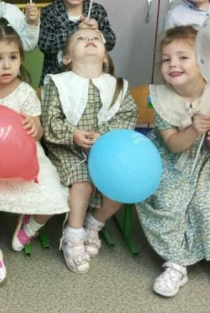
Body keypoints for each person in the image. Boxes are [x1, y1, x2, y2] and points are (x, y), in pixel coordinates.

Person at [0, 19, 69, 286]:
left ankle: (30, 225)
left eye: (13, 57)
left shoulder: (25, 92)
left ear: (21, 59)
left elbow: (39, 131)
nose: (7, 65)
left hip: (22, 160)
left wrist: (34, 126)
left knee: (56, 197)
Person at [136, 26, 210, 297]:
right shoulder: (161, 100)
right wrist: (193, 130)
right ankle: (176, 262)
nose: (173, 64)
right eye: (166, 59)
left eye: (182, 57)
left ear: (204, 62)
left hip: (203, 167)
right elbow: (173, 144)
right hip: (169, 164)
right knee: (168, 203)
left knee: (206, 205)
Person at [42, 28, 137, 273]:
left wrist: (103, 135)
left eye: (95, 38)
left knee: (119, 187)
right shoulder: (58, 83)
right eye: (81, 38)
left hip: (106, 148)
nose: (90, 40)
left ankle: (95, 222)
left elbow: (127, 116)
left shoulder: (117, 86)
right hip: (68, 149)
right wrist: (73, 134)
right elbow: (50, 119)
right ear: (67, 57)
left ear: (105, 56)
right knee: (82, 182)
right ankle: (73, 235)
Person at [39, 0, 115, 84]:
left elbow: (111, 42)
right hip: (57, 82)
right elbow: (44, 44)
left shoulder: (97, 11)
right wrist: (76, 31)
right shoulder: (49, 12)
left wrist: (98, 33)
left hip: (91, 80)